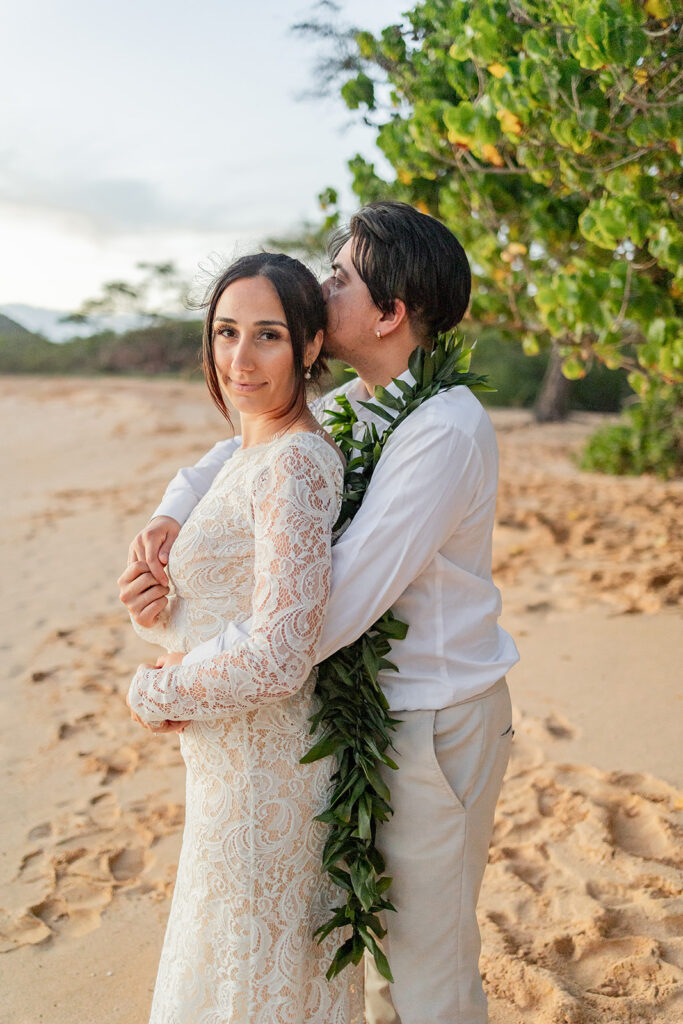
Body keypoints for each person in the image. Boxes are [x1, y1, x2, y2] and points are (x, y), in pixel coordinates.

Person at [123, 201, 520, 1024]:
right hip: (369, 716)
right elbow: (240, 453)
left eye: (339, 277)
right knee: (370, 947)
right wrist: (171, 515)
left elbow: (330, 607)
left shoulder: (439, 428)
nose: (322, 286)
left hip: (434, 719)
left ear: (388, 312)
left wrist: (187, 675)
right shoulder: (368, 404)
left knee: (425, 965)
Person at [120, 252, 358, 1023]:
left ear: (311, 346)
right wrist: (153, 606)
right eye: (225, 332)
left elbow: (282, 653)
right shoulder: (247, 452)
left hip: (265, 773)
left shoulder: (292, 464)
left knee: (251, 986)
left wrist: (154, 689)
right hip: (227, 767)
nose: (238, 359)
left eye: (267, 336)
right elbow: (232, 606)